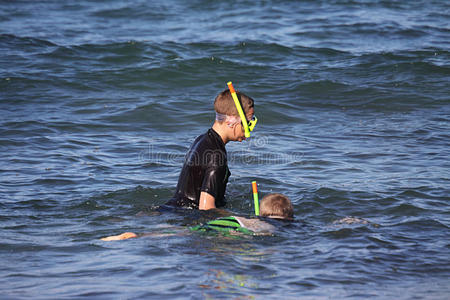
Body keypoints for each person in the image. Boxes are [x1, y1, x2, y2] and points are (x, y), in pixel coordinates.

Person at [165, 83, 257, 210]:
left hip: (172, 209)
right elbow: (206, 209)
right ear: (231, 121)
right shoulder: (216, 155)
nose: (249, 131)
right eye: (248, 124)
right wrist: (242, 220)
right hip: (184, 220)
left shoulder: (203, 139)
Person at [100, 193, 294, 241]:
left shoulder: (258, 218)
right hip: (237, 226)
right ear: (290, 216)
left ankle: (141, 234)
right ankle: (139, 236)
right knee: (188, 234)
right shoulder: (286, 225)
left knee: (186, 231)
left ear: (261, 212)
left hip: (233, 221)